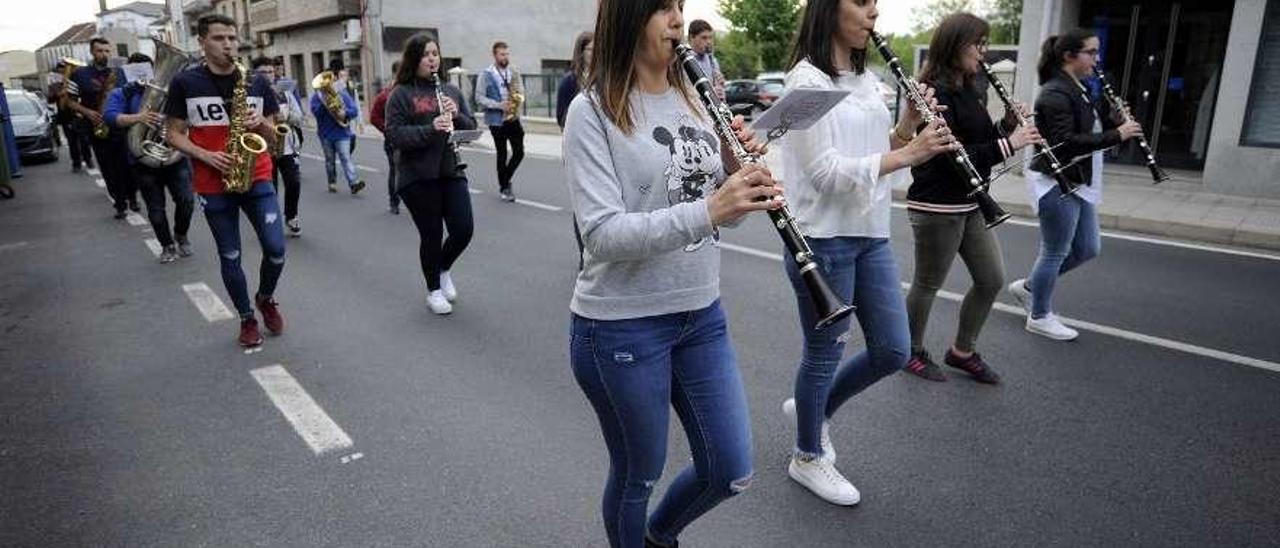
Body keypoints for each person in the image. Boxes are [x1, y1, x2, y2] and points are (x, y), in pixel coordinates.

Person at [563, 0, 782, 545]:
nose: (677, 20)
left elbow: (714, 225)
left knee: (730, 469)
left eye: (680, 7)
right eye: (661, 8)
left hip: (700, 314)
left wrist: (735, 182)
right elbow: (602, 235)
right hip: (620, 324)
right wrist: (711, 207)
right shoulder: (592, 111)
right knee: (639, 473)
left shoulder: (695, 100)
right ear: (628, 19)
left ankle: (660, 536)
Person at [776, 0, 956, 506]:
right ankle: (807, 455)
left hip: (870, 232)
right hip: (823, 238)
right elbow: (825, 174)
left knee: (894, 350)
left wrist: (906, 128)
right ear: (830, 9)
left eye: (877, 3)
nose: (874, 12)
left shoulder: (864, 78)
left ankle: (815, 410)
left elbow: (880, 155)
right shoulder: (805, 84)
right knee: (822, 355)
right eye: (862, 2)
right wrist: (910, 152)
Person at [900, 12, 1041, 383]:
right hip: (937, 204)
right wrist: (1010, 143)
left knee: (991, 278)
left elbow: (977, 142)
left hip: (971, 201)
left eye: (985, 45)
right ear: (954, 44)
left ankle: (962, 351)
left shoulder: (969, 86)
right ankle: (909, 350)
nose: (983, 53)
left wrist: (1007, 125)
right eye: (977, 44)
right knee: (928, 283)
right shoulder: (933, 91)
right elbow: (953, 158)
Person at [1007, 28, 1143, 341]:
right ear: (1070, 56)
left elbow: (1088, 129)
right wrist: (1117, 135)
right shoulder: (1055, 93)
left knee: (1087, 248)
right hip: (1057, 180)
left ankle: (1029, 287)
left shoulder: (1079, 89)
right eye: (1091, 53)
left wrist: (1114, 121)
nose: (1097, 59)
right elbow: (1065, 143)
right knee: (1055, 251)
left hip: (1078, 179)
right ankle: (1039, 315)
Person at [163, 13, 286, 348]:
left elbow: (276, 139)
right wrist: (205, 155)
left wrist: (261, 123)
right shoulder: (185, 83)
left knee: (276, 249)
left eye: (232, 38)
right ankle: (247, 318)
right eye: (219, 38)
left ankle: (265, 297)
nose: (228, 44)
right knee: (230, 255)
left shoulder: (257, 83)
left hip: (257, 174)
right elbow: (172, 134)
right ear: (202, 42)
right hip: (212, 180)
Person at [384, 35, 477, 315]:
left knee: (463, 229)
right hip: (417, 176)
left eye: (435, 53)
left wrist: (457, 115)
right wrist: (430, 128)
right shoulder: (401, 93)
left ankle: (443, 268)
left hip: (450, 169)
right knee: (432, 234)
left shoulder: (450, 90)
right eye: (425, 54)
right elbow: (394, 135)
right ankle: (433, 290)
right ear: (414, 59)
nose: (432, 58)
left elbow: (471, 128)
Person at [104, 52, 196, 263]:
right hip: (142, 159)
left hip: (173, 156)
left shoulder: (172, 91)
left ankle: (181, 234)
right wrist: (139, 118)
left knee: (186, 201)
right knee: (155, 209)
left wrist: (172, 121)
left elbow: (189, 116)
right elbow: (109, 117)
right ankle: (167, 246)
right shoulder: (122, 93)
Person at [68, 37, 136, 217]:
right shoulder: (79, 74)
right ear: (92, 52)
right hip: (96, 127)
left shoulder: (119, 73)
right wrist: (88, 113)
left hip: (119, 125)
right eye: (100, 51)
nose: (104, 54)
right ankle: (120, 203)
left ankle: (132, 196)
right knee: (107, 167)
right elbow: (70, 102)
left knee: (126, 166)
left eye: (107, 51)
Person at [254, 57, 304, 236]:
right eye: (263, 72)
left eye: (270, 71)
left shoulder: (285, 94)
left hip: (286, 146)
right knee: (270, 188)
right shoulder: (252, 95)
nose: (268, 75)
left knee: (293, 182)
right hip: (263, 148)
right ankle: (270, 220)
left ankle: (291, 216)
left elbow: (300, 117)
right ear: (255, 74)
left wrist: (288, 116)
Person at [557, 31, 594, 270]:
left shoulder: (608, 77)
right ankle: (584, 256)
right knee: (583, 202)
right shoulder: (570, 81)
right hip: (578, 150)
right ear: (582, 52)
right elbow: (561, 117)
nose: (598, 53)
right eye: (593, 49)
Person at [476, 41, 524, 202]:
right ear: (495, 55)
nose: (505, 57)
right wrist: (498, 105)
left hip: (513, 118)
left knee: (519, 152)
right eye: (502, 54)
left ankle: (505, 179)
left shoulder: (513, 72)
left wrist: (517, 99)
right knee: (502, 153)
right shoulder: (486, 74)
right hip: (497, 120)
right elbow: (479, 98)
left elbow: (520, 91)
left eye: (507, 54)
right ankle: (504, 187)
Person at [311, 61, 364, 195]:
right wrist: (325, 104)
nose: (328, 84)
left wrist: (345, 113)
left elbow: (354, 110)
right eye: (325, 81)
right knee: (330, 161)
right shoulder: (317, 97)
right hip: (326, 134)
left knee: (346, 158)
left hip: (342, 132)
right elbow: (315, 113)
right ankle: (332, 182)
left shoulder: (342, 93)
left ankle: (353, 183)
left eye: (329, 80)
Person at [369, 61, 402, 214]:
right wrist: (387, 130)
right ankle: (394, 202)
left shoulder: (410, 92)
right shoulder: (385, 95)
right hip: (393, 140)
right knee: (395, 170)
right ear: (396, 73)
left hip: (412, 138)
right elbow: (374, 117)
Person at [51, 62, 95, 173]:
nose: (64, 70)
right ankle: (76, 163)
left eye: (66, 68)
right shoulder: (55, 84)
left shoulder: (76, 81)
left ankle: (88, 159)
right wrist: (60, 93)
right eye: (62, 68)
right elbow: (50, 99)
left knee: (84, 140)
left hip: (79, 115)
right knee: (72, 141)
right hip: (66, 116)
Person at [686, 19, 725, 100]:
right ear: (691, 38)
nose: (709, 42)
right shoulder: (684, 61)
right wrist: (710, 93)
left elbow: (717, 87)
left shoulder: (713, 60)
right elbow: (685, 93)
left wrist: (721, 86)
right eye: (704, 38)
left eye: (710, 37)